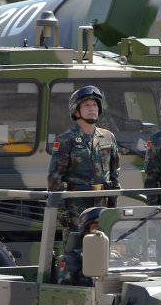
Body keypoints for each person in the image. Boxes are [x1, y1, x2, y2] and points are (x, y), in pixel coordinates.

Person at [48, 85, 120, 230]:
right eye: (87, 105)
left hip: (102, 204)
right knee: (76, 249)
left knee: (103, 246)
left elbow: (114, 172)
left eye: (94, 105)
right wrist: (63, 215)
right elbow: (55, 178)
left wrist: (112, 202)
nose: (92, 108)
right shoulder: (66, 140)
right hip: (76, 206)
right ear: (76, 110)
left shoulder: (108, 137)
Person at [57, 206, 103, 286]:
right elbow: (64, 291)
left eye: (102, 228)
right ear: (85, 232)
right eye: (95, 228)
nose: (100, 233)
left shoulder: (115, 257)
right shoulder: (73, 259)